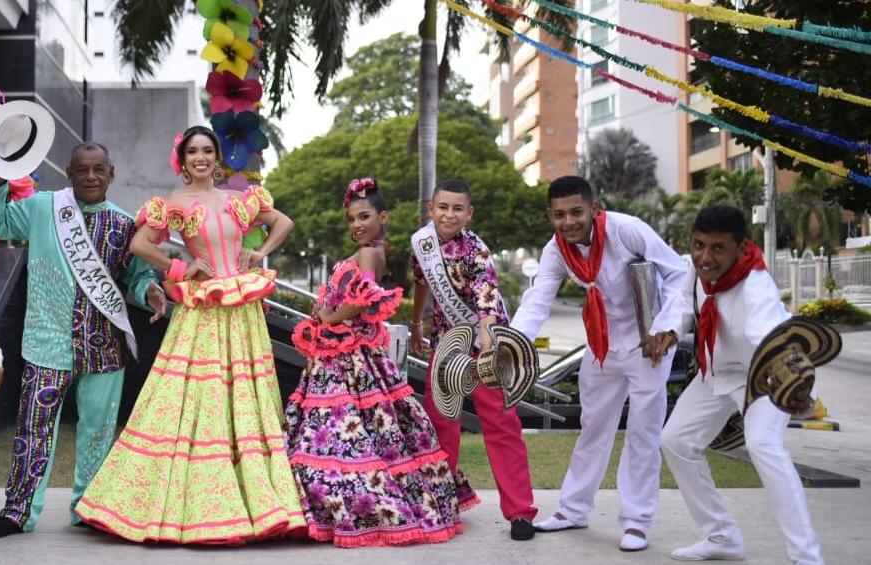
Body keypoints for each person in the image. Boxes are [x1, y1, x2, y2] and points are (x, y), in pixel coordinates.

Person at [73, 125, 304, 543]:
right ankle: (194, 505)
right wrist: (180, 268)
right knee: (197, 399)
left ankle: (255, 500)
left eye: (207, 151)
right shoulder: (173, 203)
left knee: (246, 399)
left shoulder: (238, 199)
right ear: (183, 160)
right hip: (202, 311)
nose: (201, 158)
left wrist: (260, 253)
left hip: (243, 309)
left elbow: (284, 222)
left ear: (217, 158)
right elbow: (140, 245)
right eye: (193, 151)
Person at [0, 141, 167, 538]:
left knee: (98, 432)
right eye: (82, 169)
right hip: (47, 343)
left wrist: (150, 289)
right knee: (33, 428)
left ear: (111, 174)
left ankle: (89, 510)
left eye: (99, 169)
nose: (90, 177)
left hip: (104, 348)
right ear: (69, 173)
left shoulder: (125, 225)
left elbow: (138, 276)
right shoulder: (43, 208)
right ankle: (18, 512)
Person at [285, 178, 471, 548]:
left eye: (364, 217)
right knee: (365, 431)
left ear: (382, 217)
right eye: (351, 218)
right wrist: (327, 308)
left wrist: (330, 315)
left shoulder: (370, 253)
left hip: (350, 358)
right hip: (344, 355)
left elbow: (366, 297)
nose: (356, 224)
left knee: (342, 432)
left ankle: (354, 505)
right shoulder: (371, 251)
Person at [510, 175, 689, 552]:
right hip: (602, 343)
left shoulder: (627, 230)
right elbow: (538, 299)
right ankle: (573, 509)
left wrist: (666, 328)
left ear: (594, 209)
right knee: (592, 427)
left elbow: (678, 273)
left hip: (649, 341)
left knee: (642, 431)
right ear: (550, 215)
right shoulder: (556, 250)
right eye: (560, 214)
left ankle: (637, 521)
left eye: (577, 212)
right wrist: (514, 342)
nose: (569, 221)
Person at [660, 205, 825, 564]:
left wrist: (795, 387)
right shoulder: (697, 269)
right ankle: (721, 536)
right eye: (699, 245)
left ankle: (806, 557)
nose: (705, 257)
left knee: (763, 445)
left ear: (740, 247)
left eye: (718, 248)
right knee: (675, 441)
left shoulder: (755, 284)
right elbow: (683, 304)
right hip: (717, 372)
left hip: (766, 374)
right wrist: (668, 332)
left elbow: (767, 338)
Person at [408, 179, 535, 541]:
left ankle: (520, 513)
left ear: (469, 213)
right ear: (431, 209)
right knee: (441, 423)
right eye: (443, 207)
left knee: (501, 424)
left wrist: (488, 352)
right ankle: (441, 505)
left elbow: (486, 304)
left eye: (457, 208)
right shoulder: (422, 243)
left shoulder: (477, 251)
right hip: (446, 343)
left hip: (485, 342)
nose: (449, 215)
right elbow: (421, 280)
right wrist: (416, 324)